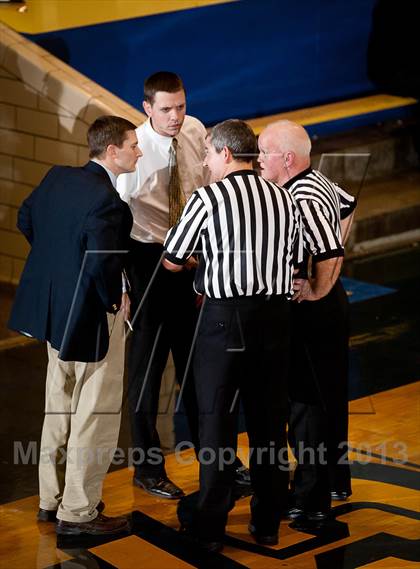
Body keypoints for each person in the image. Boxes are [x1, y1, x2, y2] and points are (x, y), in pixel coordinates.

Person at [163, 119, 301, 552]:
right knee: (268, 424)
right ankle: (267, 522)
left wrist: (205, 262)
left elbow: (172, 258)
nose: (204, 161)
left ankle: (209, 525)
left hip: (224, 320)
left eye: (207, 153)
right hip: (275, 319)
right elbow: (293, 258)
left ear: (225, 154)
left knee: (215, 423)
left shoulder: (207, 198)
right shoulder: (284, 197)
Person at [117, 72, 249, 499]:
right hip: (149, 262)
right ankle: (147, 469)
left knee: (201, 369)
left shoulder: (195, 131)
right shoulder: (132, 149)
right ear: (147, 109)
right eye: (167, 109)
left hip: (193, 256)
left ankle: (221, 462)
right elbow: (117, 223)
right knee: (147, 374)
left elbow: (210, 185)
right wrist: (124, 282)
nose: (176, 116)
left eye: (181, 106)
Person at [8, 115, 141, 536]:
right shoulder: (108, 202)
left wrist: (61, 269)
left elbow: (25, 219)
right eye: (133, 144)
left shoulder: (57, 177)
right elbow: (103, 262)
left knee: (58, 405)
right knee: (94, 413)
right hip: (91, 320)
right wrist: (113, 300)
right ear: (113, 151)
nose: (138, 151)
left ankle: (50, 500)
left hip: (53, 317)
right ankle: (79, 512)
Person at [258, 120, 357, 531]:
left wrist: (318, 287)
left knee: (307, 406)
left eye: (264, 151)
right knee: (324, 399)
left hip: (314, 314)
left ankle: (312, 496)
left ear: (287, 158)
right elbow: (349, 207)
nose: (258, 158)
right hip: (324, 310)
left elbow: (332, 249)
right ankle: (332, 483)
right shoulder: (314, 181)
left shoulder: (301, 195)